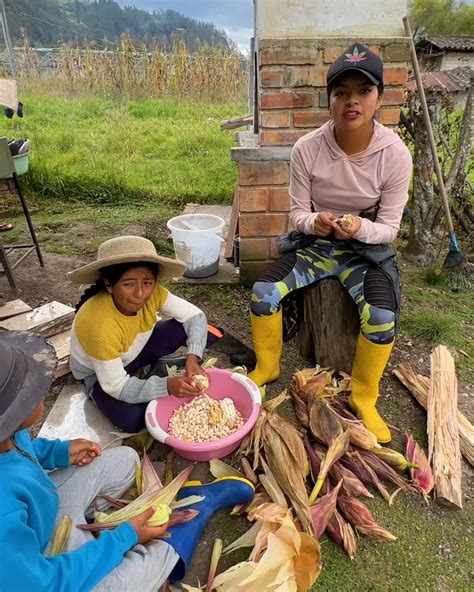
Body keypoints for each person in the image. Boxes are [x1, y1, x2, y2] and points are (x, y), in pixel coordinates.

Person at [0, 331, 255, 591]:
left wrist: (57, 453)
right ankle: (197, 508)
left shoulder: (7, 435)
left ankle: (90, 532)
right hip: (42, 568)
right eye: (29, 387)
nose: (40, 385)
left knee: (126, 461)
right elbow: (44, 584)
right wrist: (127, 536)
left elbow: (21, 448)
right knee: (122, 583)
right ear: (13, 413)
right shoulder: (3, 513)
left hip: (41, 514)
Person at [247, 44, 412, 444]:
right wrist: (316, 223)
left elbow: (389, 228)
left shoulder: (394, 155)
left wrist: (357, 228)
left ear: (379, 99)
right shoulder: (308, 148)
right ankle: (267, 366)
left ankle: (364, 396)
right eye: (340, 93)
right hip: (316, 247)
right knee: (263, 292)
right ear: (329, 100)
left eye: (363, 91)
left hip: (363, 251)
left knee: (382, 316)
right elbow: (297, 215)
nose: (351, 101)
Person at [68, 235, 223, 433]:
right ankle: (140, 377)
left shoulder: (154, 293)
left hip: (134, 350)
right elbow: (116, 386)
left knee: (194, 329)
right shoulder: (100, 327)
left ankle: (146, 371)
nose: (140, 294)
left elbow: (195, 316)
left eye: (147, 283)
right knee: (132, 419)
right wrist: (166, 386)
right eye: (128, 284)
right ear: (109, 284)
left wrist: (193, 359)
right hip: (98, 375)